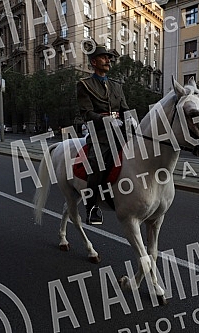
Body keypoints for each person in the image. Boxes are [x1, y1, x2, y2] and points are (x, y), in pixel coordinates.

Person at [77, 42, 129, 225]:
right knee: (97, 163)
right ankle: (92, 208)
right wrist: (105, 120)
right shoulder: (84, 85)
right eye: (104, 57)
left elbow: (124, 109)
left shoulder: (116, 85)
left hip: (121, 130)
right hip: (100, 133)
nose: (108, 60)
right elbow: (86, 113)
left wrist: (131, 120)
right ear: (93, 62)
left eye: (109, 57)